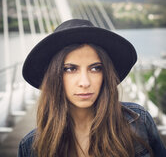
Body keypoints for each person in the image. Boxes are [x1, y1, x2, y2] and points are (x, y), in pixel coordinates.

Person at [18, 19, 166, 157]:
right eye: (70, 69)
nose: (85, 82)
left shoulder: (138, 121)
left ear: (106, 74)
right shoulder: (31, 146)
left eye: (95, 68)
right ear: (54, 77)